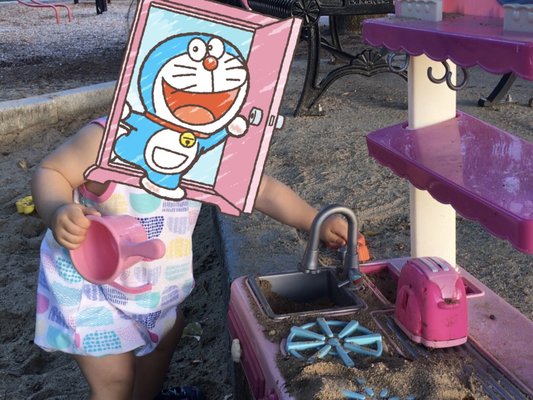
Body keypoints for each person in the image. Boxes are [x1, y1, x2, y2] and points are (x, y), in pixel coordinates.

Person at [31, 117, 367, 400]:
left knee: (165, 339)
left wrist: (315, 222)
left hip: (151, 281)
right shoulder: (107, 139)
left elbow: (262, 190)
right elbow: (51, 171)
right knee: (114, 380)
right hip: (89, 281)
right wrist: (58, 209)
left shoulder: (206, 148)